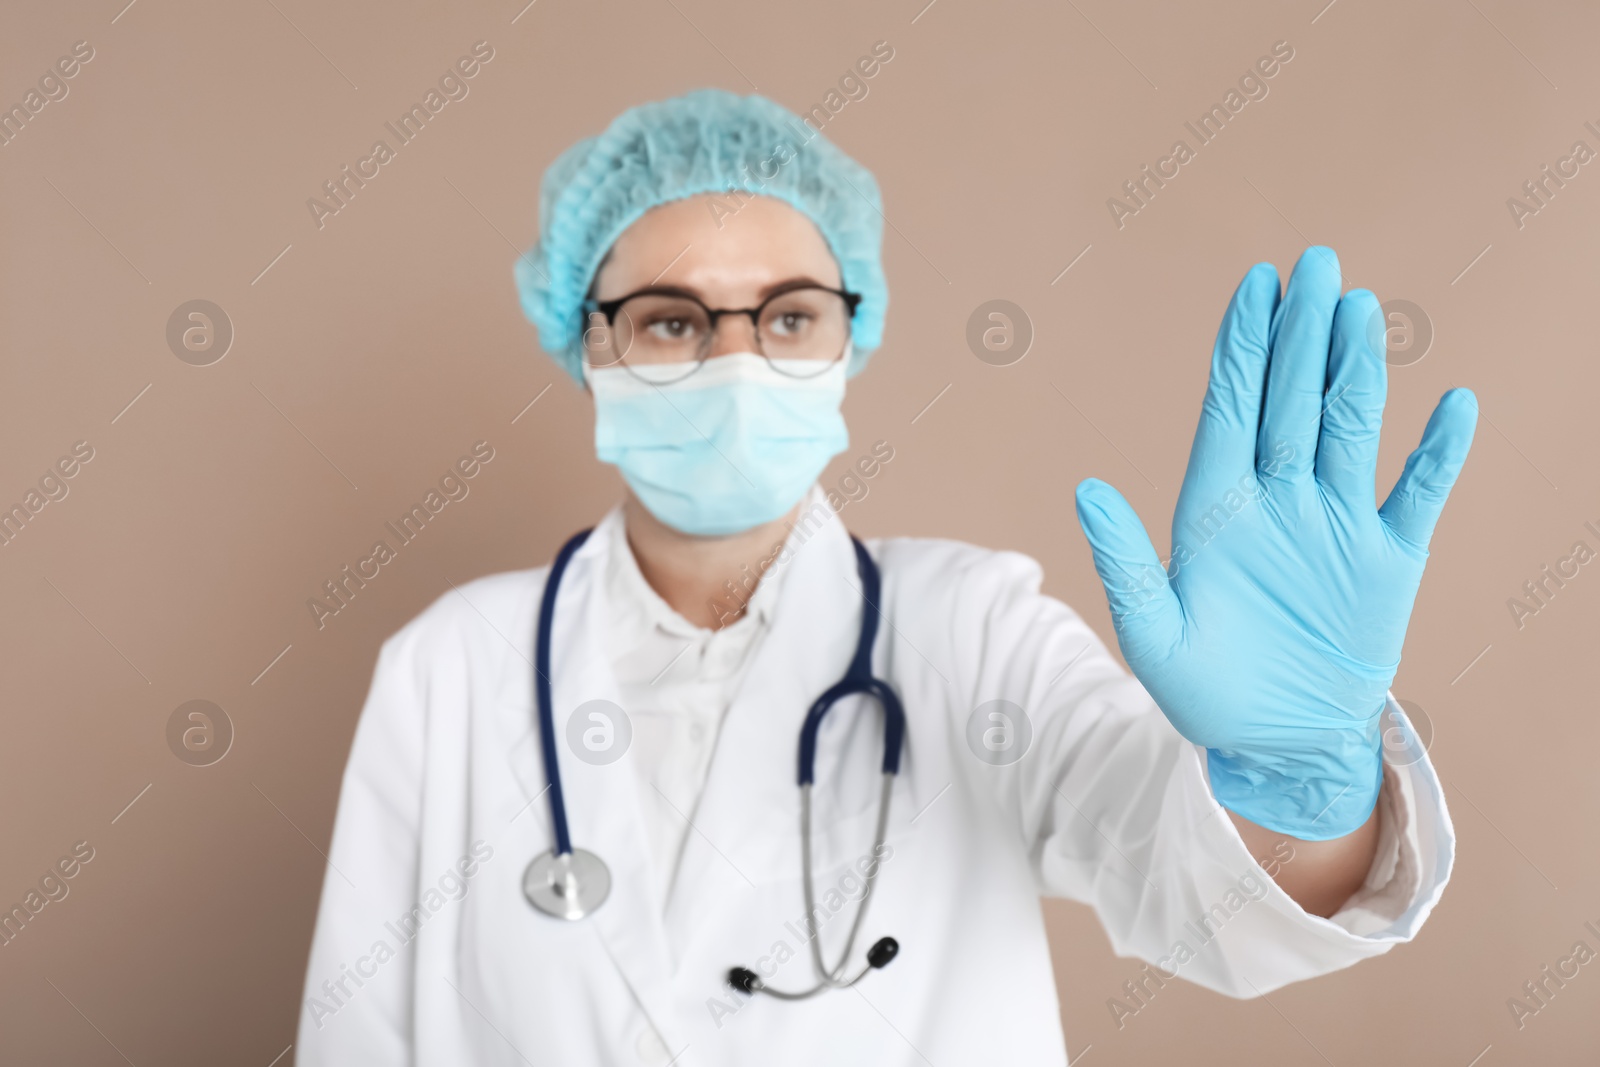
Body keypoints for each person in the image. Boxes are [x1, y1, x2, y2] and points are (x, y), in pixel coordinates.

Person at [298, 88, 1478, 1066]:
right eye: (670, 323)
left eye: (789, 317)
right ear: (586, 339)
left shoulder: (971, 631)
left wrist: (1294, 777)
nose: (736, 365)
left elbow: (1193, 895)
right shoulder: (449, 668)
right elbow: (357, 1031)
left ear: (847, 342)